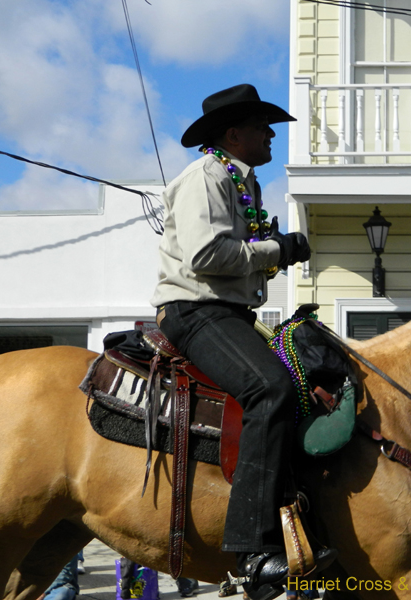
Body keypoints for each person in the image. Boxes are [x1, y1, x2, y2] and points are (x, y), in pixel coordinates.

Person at [151, 83, 335, 600]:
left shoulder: (240, 183)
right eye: (261, 126)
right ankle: (252, 553)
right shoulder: (206, 177)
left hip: (229, 312)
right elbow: (208, 256)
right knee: (270, 389)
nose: (271, 133)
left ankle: (296, 523)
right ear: (234, 134)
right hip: (196, 312)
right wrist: (277, 248)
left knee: (305, 380)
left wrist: (271, 250)